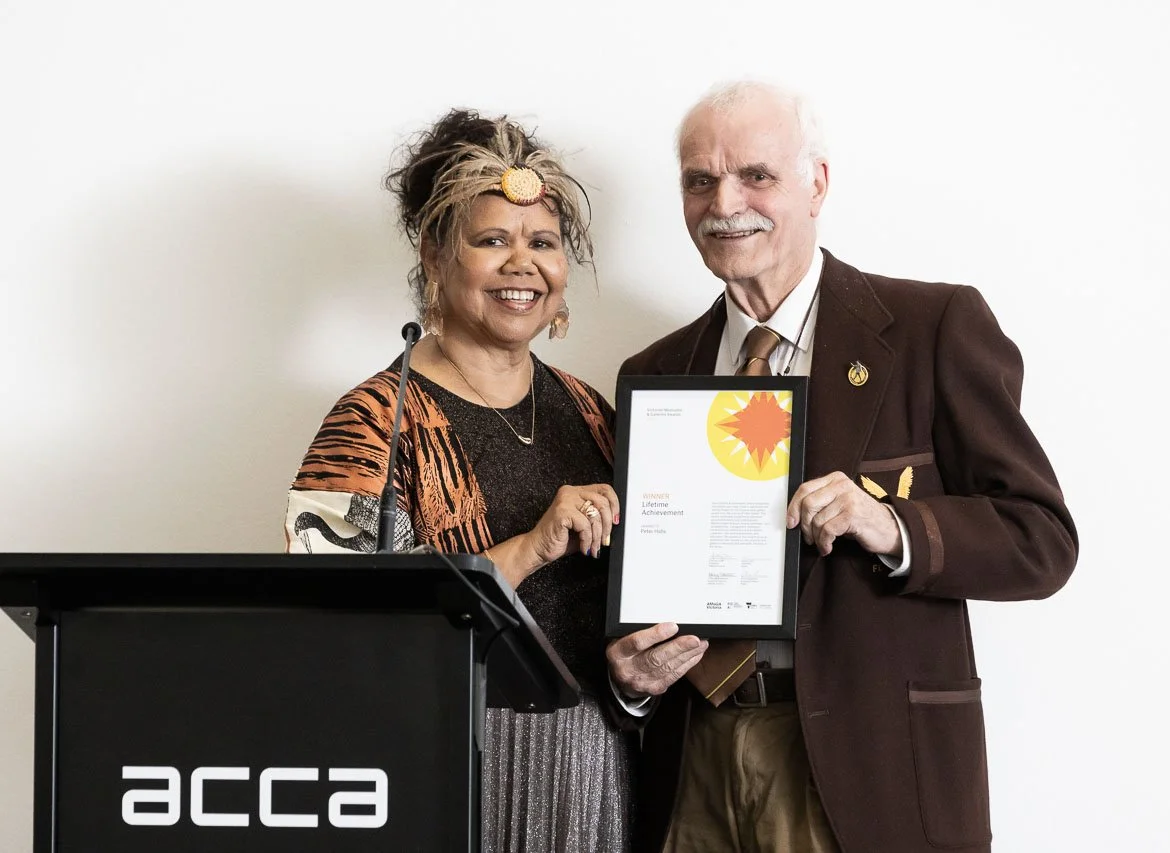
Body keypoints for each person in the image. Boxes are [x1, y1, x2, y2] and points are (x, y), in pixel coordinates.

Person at [605, 81, 1079, 853]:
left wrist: (890, 524)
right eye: (699, 180)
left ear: (817, 182)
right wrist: (632, 681)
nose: (725, 201)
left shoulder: (933, 327)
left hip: (869, 767)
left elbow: (1042, 538)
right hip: (694, 761)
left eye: (756, 174)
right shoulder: (654, 373)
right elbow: (644, 583)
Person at [284, 109, 631, 853]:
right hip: (440, 762)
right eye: (492, 240)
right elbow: (327, 623)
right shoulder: (373, 419)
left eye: (542, 242)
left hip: (596, 768)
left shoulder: (591, 412)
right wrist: (531, 547)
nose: (523, 264)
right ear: (435, 254)